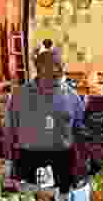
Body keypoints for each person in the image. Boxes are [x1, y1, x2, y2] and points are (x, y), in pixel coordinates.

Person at [5, 48, 86, 193]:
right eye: (56, 65)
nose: (61, 69)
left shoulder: (72, 97)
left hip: (62, 161)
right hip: (28, 160)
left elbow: (80, 133)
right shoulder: (20, 95)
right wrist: (9, 165)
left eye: (62, 65)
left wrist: (81, 164)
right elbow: (10, 132)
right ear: (40, 68)